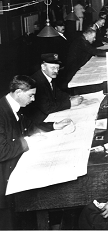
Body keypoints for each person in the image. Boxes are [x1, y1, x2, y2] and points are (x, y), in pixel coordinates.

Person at [0, 75, 72, 229]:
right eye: (30, 95)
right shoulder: (1, 112)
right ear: (18, 92)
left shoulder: (13, 107)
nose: (33, 99)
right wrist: (28, 141)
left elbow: (29, 126)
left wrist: (54, 126)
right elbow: (2, 151)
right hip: (4, 181)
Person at [23, 53, 83, 124]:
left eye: (58, 68)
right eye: (53, 68)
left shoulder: (48, 75)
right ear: (43, 67)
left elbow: (57, 92)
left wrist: (69, 97)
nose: (56, 71)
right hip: (38, 120)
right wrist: (70, 103)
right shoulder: (36, 82)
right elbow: (47, 108)